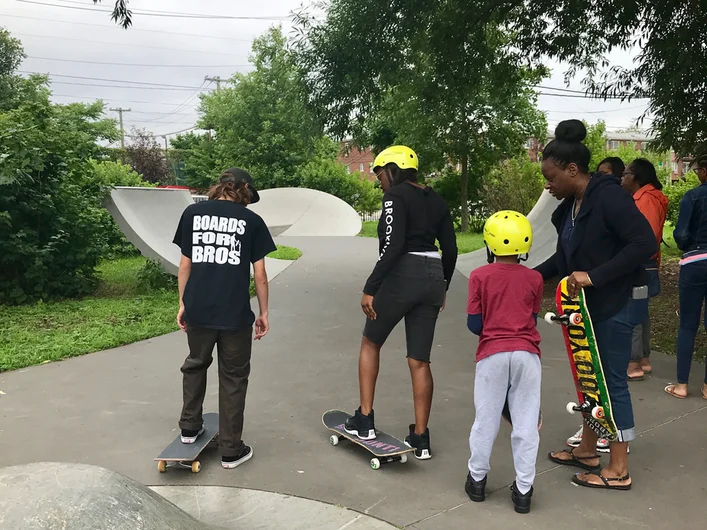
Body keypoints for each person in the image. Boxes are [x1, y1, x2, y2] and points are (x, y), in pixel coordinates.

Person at [535, 120, 656, 491]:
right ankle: (588, 450)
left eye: (551, 176)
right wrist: (528, 279)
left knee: (611, 383)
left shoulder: (609, 196)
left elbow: (642, 243)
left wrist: (596, 276)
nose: (547, 184)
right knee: (590, 380)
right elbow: (564, 260)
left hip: (614, 304)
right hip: (585, 309)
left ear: (573, 170)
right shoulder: (572, 205)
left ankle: (618, 467)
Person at [344, 145, 458, 460]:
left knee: (371, 342)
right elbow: (450, 249)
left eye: (380, 174)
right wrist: (443, 285)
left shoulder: (395, 196)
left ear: (392, 170)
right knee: (419, 360)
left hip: (402, 274)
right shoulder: (437, 199)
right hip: (433, 275)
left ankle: (365, 419)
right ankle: (421, 437)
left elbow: (392, 245)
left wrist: (371, 286)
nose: (379, 181)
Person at [172, 167, 276, 469]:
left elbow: (184, 265)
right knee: (233, 377)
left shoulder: (193, 215)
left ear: (219, 186)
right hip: (234, 314)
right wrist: (264, 313)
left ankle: (189, 428)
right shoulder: (252, 221)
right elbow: (260, 274)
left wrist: (183, 303)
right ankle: (231, 450)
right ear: (245, 191)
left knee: (195, 365)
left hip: (199, 309)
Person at [464, 210, 543, 514]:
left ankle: (477, 480)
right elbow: (531, 318)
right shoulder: (535, 278)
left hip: (492, 355)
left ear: (490, 243)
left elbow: (474, 324)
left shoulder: (479, 276)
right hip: (527, 355)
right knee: (525, 424)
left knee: (486, 420)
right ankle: (523, 491)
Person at [621, 158, 668, 380]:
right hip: (644, 262)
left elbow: (645, 238)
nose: (622, 178)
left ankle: (633, 363)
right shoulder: (645, 197)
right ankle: (644, 359)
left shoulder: (646, 199)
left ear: (636, 177)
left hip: (641, 263)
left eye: (626, 173)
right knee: (641, 312)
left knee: (634, 312)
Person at [665, 153, 707, 400]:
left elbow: (680, 234)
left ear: (704, 171)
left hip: (695, 261)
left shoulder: (692, 196)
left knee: (688, 324)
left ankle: (681, 385)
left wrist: (691, 245)